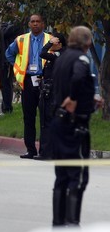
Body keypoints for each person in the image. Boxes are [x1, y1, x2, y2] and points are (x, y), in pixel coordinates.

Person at [50, 26, 101, 226]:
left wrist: (90, 101)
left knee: (61, 176)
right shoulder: (81, 59)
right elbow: (79, 77)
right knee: (76, 177)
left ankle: (58, 223)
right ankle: (71, 223)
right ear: (87, 43)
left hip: (59, 123)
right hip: (74, 125)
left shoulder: (62, 58)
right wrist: (73, 98)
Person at [5, 14, 52, 159]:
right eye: (33, 22)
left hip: (45, 81)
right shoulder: (21, 39)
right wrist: (18, 68)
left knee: (45, 117)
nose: (35, 24)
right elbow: (9, 54)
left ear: (43, 24)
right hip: (28, 81)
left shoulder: (50, 39)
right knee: (29, 117)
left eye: (38, 21)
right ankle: (30, 150)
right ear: (29, 24)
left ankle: (45, 150)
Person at [36, 32, 66, 160]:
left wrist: (48, 44)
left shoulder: (60, 55)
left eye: (52, 41)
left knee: (47, 123)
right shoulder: (56, 56)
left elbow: (42, 53)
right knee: (46, 122)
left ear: (58, 43)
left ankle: (47, 153)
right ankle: (46, 151)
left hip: (52, 95)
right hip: (49, 92)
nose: (49, 44)